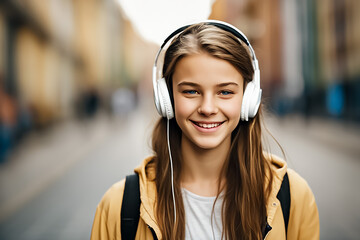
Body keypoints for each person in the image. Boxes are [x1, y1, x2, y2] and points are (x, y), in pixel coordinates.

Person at [91, 20, 319, 240]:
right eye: (191, 91)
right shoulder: (119, 205)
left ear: (248, 99)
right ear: (166, 99)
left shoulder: (293, 197)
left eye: (225, 92)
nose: (207, 108)